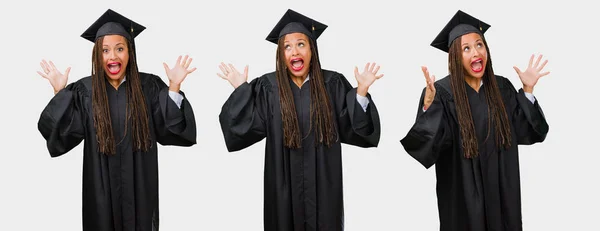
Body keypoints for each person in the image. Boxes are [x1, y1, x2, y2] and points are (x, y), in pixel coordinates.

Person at [218, 9, 382, 231]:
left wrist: (361, 92)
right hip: (282, 187)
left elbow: (354, 128)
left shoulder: (332, 84)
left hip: (324, 186)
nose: (294, 50)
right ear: (281, 54)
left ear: (312, 49)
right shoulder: (269, 87)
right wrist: (241, 91)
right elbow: (243, 128)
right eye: (287, 46)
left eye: (301, 44)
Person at [37, 9, 197, 231]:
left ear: (130, 52)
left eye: (120, 49)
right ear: (97, 56)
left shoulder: (149, 87)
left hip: (140, 185)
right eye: (105, 50)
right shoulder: (86, 90)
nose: (112, 56)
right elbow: (64, 134)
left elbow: (170, 129)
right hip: (100, 190)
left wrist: (174, 88)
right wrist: (59, 92)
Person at [400, 10, 550, 231]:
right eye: (466, 48)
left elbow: (529, 131)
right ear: (455, 57)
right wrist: (428, 107)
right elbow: (428, 146)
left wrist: (527, 90)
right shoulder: (441, 92)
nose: (475, 52)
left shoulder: (502, 88)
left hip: (502, 194)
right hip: (462, 197)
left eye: (479, 45)